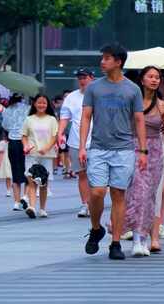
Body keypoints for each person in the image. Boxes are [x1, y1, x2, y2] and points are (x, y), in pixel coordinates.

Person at [79, 43, 147, 260]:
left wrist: (143, 150)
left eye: (107, 58)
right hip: (98, 148)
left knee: (119, 194)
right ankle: (96, 228)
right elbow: (86, 117)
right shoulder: (93, 88)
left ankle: (115, 242)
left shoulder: (132, 89)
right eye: (102, 58)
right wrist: (82, 146)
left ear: (118, 62)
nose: (102, 61)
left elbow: (139, 120)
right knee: (97, 192)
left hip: (124, 149)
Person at [124, 66, 164, 257]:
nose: (154, 80)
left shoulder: (162, 105)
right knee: (137, 193)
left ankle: (143, 237)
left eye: (157, 77)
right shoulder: (131, 102)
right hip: (133, 149)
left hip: (155, 152)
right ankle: (137, 238)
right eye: (150, 76)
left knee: (149, 196)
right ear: (142, 79)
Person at [58, 69, 94, 218]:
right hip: (76, 142)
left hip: (98, 141)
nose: (82, 80)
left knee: (97, 175)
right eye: (80, 78)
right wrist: (60, 133)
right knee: (82, 174)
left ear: (92, 78)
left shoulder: (99, 95)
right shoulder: (71, 97)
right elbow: (65, 117)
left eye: (84, 77)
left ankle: (95, 204)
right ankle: (85, 204)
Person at [22, 94, 58, 219]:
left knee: (44, 182)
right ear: (34, 104)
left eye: (44, 103)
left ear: (47, 105)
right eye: (39, 102)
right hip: (32, 154)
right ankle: (31, 206)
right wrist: (25, 146)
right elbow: (24, 135)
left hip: (47, 155)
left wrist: (47, 148)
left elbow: (54, 137)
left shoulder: (52, 119)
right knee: (31, 180)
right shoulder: (29, 119)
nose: (41, 105)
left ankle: (42, 208)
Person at [2, 93, 30, 211]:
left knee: (15, 171)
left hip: (13, 142)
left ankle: (16, 202)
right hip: (26, 141)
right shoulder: (28, 108)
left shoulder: (7, 110)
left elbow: (5, 126)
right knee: (28, 170)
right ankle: (26, 196)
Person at [0, 132, 12, 197]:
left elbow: (1, 153)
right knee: (9, 176)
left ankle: (8, 190)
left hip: (6, 160)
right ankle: (10, 189)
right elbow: (1, 153)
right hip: (10, 160)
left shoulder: (2, 142)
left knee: (8, 176)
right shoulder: (12, 142)